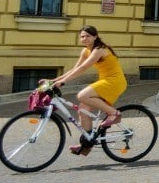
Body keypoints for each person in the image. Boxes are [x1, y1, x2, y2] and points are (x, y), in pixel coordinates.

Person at [50, 26, 128, 156]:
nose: (84, 38)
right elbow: (75, 69)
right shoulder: (85, 51)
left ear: (95, 37)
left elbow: (83, 68)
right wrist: (53, 81)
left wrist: (63, 82)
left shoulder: (99, 50)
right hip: (105, 81)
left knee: (82, 95)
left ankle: (114, 114)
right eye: (82, 36)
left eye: (87, 36)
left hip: (115, 82)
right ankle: (86, 144)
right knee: (83, 109)